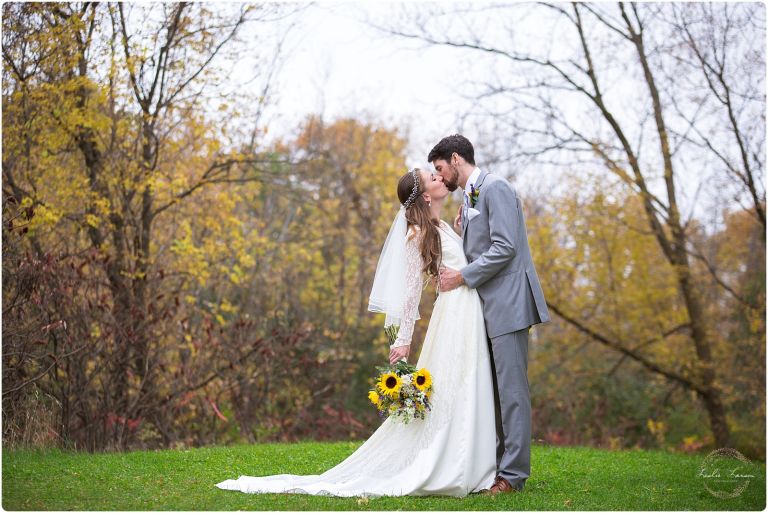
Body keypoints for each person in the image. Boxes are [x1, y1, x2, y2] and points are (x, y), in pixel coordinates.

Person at [215, 168, 497, 497]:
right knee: (453, 383)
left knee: (467, 380)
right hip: (453, 315)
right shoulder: (416, 233)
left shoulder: (441, 225)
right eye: (432, 179)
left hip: (467, 311)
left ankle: (473, 462)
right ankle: (453, 463)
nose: (440, 180)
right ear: (424, 195)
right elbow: (410, 292)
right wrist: (403, 340)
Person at [431, 134, 550, 494]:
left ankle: (513, 476)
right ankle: (498, 468)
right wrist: (465, 227)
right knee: (497, 392)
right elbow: (487, 242)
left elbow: (506, 248)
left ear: (455, 159)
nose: (440, 177)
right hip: (490, 307)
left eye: (440, 169)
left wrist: (462, 277)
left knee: (512, 392)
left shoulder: (495, 187)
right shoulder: (470, 199)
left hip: (510, 304)